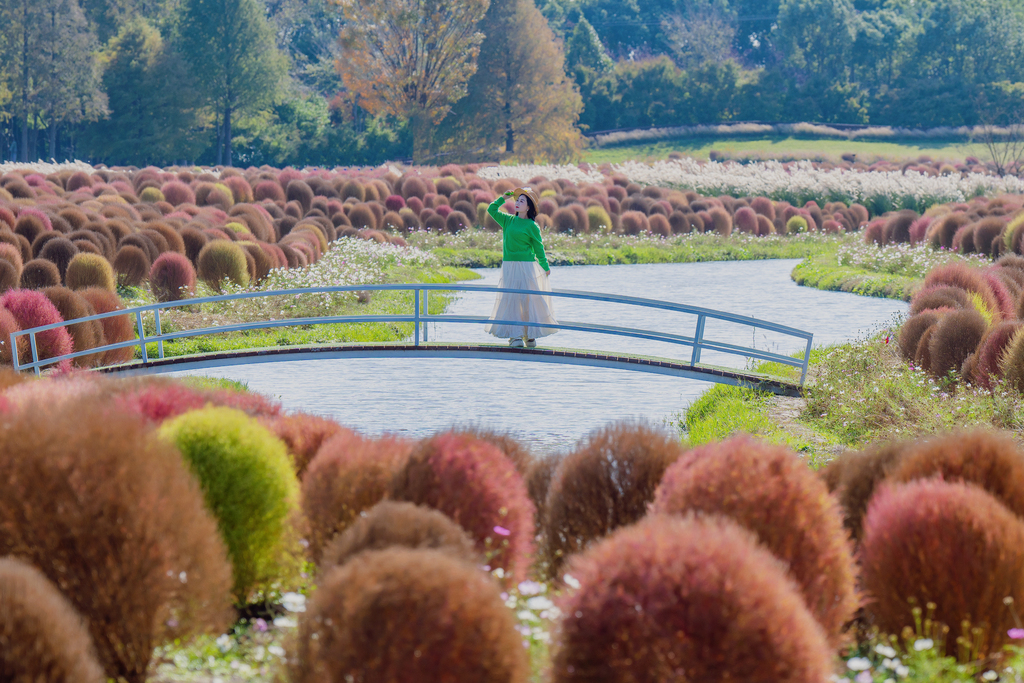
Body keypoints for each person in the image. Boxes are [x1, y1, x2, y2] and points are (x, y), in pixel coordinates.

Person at [484, 187, 558, 348]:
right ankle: (515, 336)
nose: (517, 203)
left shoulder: (532, 226)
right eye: (517, 200)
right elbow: (491, 209)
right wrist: (504, 197)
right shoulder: (507, 220)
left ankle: (529, 335)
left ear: (528, 207)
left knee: (528, 299)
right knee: (512, 298)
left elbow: (539, 248)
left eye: (521, 201)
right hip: (510, 267)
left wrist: (545, 266)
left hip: (527, 267)